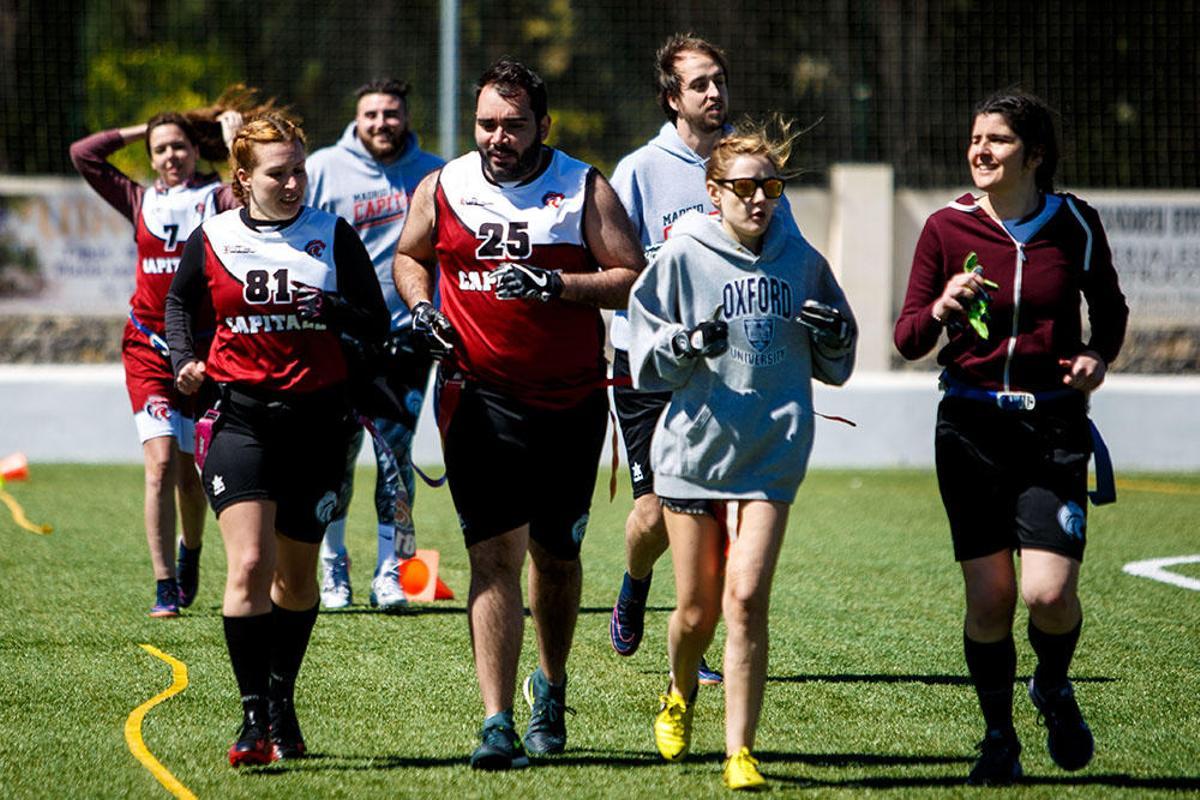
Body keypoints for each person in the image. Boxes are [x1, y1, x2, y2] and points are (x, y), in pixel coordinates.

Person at [392, 58, 645, 770]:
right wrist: (421, 309)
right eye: (487, 124)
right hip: (478, 400)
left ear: (544, 125)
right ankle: (496, 719)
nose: (499, 138)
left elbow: (633, 279)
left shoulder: (582, 186)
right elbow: (409, 256)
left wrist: (556, 285)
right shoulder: (444, 185)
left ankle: (552, 688)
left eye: (514, 125)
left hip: (568, 403)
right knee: (492, 557)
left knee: (556, 559)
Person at [894, 91, 1127, 786]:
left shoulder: (1076, 223)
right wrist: (939, 307)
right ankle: (998, 739)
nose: (981, 151)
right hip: (968, 429)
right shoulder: (945, 227)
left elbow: (1109, 310)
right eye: (975, 139)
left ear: (1035, 154)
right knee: (991, 598)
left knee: (1048, 597)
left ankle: (1051, 685)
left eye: (997, 140)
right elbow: (907, 339)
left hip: (1053, 428)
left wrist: (1097, 356)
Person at [627, 120, 855, 791]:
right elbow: (643, 355)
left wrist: (838, 335)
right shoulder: (681, 253)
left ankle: (739, 752)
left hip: (771, 452)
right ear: (713, 191)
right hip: (695, 449)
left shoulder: (802, 259)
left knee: (747, 598)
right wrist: (685, 342)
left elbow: (836, 361)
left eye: (772, 187)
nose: (760, 200)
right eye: (746, 187)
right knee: (696, 611)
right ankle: (677, 692)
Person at [165, 113, 389, 766]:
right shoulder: (213, 237)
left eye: (299, 171)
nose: (293, 183)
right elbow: (179, 303)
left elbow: (374, 322)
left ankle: (283, 696)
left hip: (319, 426)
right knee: (249, 567)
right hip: (242, 421)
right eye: (278, 173)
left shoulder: (332, 234)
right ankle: (253, 719)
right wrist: (185, 358)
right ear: (243, 178)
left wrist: (333, 311)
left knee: (295, 581)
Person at [609, 34, 794, 685]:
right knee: (657, 511)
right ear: (671, 98)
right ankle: (634, 582)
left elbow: (786, 255)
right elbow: (617, 271)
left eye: (719, 80)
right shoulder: (637, 171)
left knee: (714, 509)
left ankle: (699, 650)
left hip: (726, 371)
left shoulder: (752, 164)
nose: (714, 93)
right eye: (699, 84)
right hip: (650, 365)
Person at [69, 100, 247, 617]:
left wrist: (233, 140)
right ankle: (164, 582)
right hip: (147, 345)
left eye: (179, 145)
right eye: (160, 147)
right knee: (161, 464)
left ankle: (190, 552)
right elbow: (84, 154)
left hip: (200, 350)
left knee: (192, 472)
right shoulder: (138, 198)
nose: (170, 155)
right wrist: (140, 126)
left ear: (195, 151)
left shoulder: (215, 197)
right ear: (151, 156)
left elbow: (248, 195)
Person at [306, 78, 445, 612]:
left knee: (396, 458)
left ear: (406, 117)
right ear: (355, 120)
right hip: (338, 340)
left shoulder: (435, 173)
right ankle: (333, 567)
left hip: (405, 340)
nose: (381, 123)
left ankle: (394, 572)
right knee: (334, 458)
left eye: (391, 113)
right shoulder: (321, 169)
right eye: (371, 114)